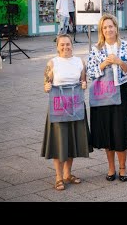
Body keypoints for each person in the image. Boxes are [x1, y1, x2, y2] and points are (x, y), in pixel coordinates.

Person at [87, 14, 127, 182]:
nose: (109, 29)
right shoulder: (96, 49)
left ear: (116, 27)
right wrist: (104, 64)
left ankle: (123, 168)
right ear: (102, 30)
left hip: (121, 92)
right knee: (107, 130)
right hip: (103, 93)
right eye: (105, 27)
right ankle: (111, 168)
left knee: (120, 130)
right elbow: (90, 73)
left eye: (111, 26)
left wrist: (119, 62)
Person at [42, 34, 92, 190]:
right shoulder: (52, 63)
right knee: (59, 141)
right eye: (62, 45)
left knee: (71, 140)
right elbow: (46, 83)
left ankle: (67, 174)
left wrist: (84, 84)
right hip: (58, 106)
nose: (65, 47)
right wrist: (46, 87)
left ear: (72, 45)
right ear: (57, 47)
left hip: (75, 105)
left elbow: (83, 80)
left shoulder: (80, 62)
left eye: (68, 44)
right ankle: (58, 176)